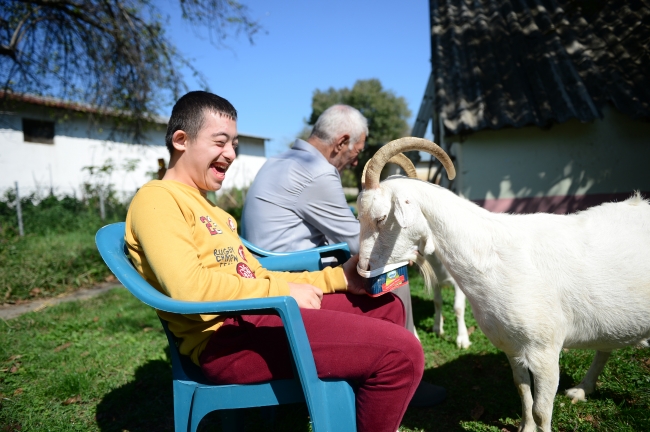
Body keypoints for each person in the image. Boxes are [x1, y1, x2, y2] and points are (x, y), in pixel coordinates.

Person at [125, 91, 426, 432]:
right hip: (225, 341)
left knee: (387, 307)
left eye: (234, 144)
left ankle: (351, 404)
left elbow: (256, 275)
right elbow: (188, 288)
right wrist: (281, 294)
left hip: (257, 315)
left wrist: (339, 278)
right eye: (220, 142)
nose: (231, 154)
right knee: (403, 355)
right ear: (181, 140)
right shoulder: (157, 199)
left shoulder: (216, 213)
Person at [241, 105, 424, 357]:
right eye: (356, 152)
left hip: (265, 272)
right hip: (293, 281)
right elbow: (361, 244)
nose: (356, 161)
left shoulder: (277, 161)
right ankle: (407, 355)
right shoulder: (317, 172)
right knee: (393, 275)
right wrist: (404, 246)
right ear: (341, 142)